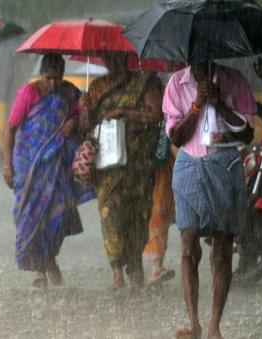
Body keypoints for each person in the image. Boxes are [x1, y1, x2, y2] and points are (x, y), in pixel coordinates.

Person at [163, 60, 255, 339]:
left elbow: (248, 133)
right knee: (188, 247)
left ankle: (214, 326)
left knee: (222, 251)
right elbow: (177, 137)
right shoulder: (176, 84)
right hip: (190, 166)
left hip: (224, 167)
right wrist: (198, 105)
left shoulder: (234, 81)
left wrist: (221, 105)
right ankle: (194, 323)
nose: (201, 55)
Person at [83, 52, 163, 291]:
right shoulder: (96, 88)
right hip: (108, 165)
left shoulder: (146, 83)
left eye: (119, 57)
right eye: (109, 57)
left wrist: (125, 114)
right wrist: (84, 109)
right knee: (110, 212)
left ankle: (135, 265)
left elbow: (155, 115)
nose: (113, 61)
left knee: (138, 217)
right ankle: (117, 271)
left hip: (138, 166)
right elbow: (86, 127)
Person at [3, 53, 83, 288]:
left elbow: (85, 118)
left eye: (58, 78)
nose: (53, 84)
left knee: (58, 214)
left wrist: (75, 121)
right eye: (49, 78)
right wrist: (7, 164)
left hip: (57, 166)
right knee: (30, 215)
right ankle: (39, 270)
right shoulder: (28, 93)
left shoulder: (69, 93)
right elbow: (10, 129)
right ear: (41, 74)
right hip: (28, 167)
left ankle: (49, 257)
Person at [143, 151, 176, 286]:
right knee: (157, 213)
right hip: (149, 161)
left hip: (159, 162)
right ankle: (151, 268)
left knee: (159, 213)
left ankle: (156, 267)